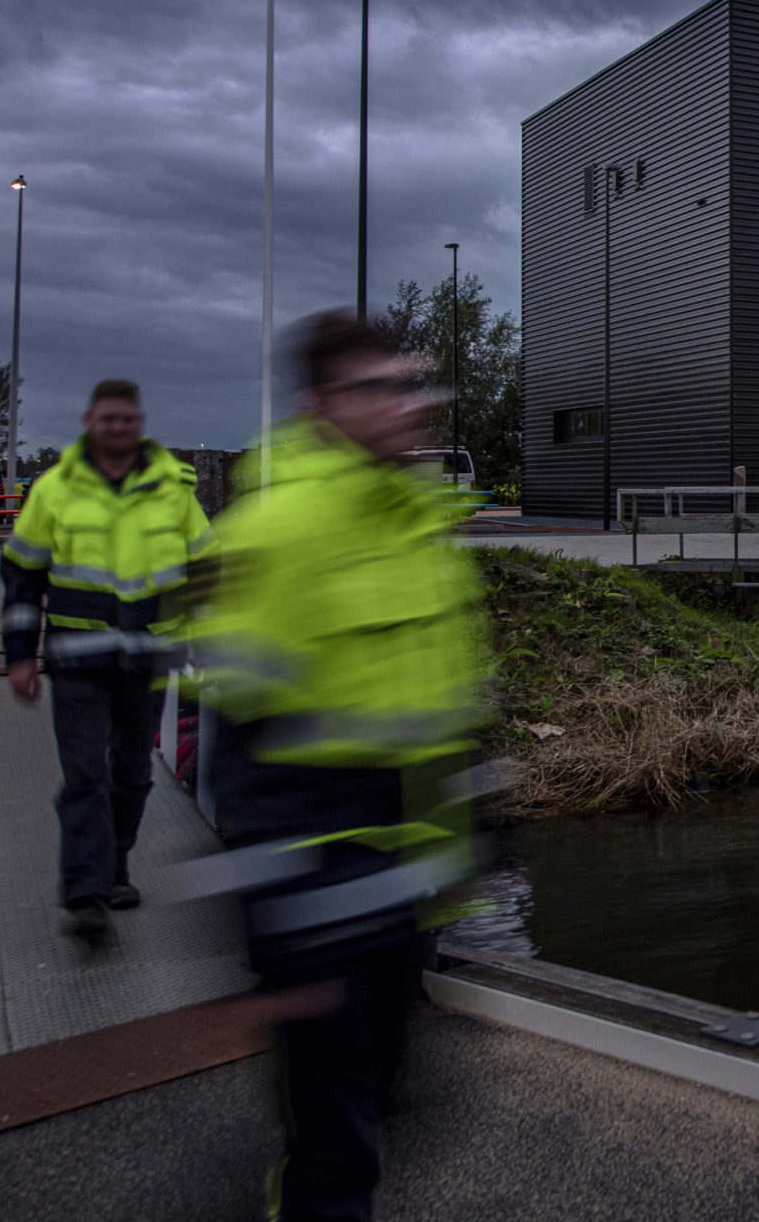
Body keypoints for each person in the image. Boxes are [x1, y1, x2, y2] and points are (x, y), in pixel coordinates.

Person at [194, 312, 486, 1222]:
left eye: (412, 384)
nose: (409, 405)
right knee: (337, 1143)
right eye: (380, 387)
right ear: (325, 403)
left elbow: (452, 707)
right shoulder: (277, 533)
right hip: (322, 890)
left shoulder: (418, 526)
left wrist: (480, 834)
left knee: (386, 1097)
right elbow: (238, 749)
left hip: (410, 889)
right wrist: (281, 928)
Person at [1, 378, 213, 942]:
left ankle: (115, 865)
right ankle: (87, 892)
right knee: (84, 776)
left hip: (147, 660)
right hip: (77, 660)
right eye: (107, 420)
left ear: (137, 424)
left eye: (126, 419)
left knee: (131, 773)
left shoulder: (174, 493)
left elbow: (206, 574)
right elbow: (22, 576)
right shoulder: (54, 491)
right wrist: (18, 656)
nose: (117, 428)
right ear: (90, 423)